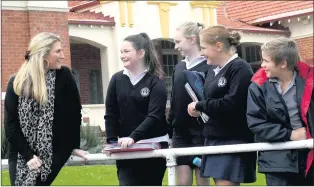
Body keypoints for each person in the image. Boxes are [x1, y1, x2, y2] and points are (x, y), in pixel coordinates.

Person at [4, 32, 88, 186]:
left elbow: (74, 114)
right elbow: (11, 125)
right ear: (43, 54)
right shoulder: (16, 82)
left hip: (55, 150)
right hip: (20, 152)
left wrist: (74, 145)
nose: (62, 56)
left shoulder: (64, 76)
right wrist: (29, 156)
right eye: (58, 51)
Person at [187, 25, 257, 185]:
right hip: (214, 137)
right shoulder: (212, 71)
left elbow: (231, 104)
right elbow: (212, 103)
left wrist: (200, 105)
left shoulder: (240, 68)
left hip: (233, 138)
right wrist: (200, 111)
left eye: (203, 48)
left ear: (218, 46)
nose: (201, 53)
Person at [246, 37, 314, 186]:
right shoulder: (257, 86)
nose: (262, 65)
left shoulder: (310, 80)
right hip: (276, 162)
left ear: (283, 63)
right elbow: (255, 123)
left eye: (266, 61)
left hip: (310, 158)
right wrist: (290, 135)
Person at [104, 32, 169, 186]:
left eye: (126, 51)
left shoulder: (156, 81)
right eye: (121, 52)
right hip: (126, 149)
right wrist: (112, 141)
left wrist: (133, 137)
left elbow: (154, 116)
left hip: (153, 146)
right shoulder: (117, 79)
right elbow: (111, 113)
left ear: (141, 53)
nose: (122, 55)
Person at [167, 21, 210, 185]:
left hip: (201, 131)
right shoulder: (179, 66)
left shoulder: (208, 65)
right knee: (182, 182)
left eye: (178, 42)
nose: (176, 46)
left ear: (192, 40)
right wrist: (171, 127)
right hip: (181, 132)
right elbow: (174, 99)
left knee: (202, 180)